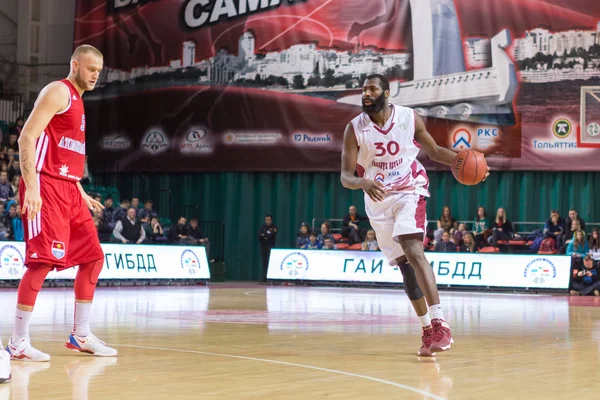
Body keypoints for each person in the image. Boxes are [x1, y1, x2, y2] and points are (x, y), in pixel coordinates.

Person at [340, 74, 488, 357]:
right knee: (405, 268)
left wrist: (471, 162)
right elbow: (346, 176)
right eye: (363, 90)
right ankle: (426, 329)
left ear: (386, 93)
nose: (366, 94)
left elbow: (434, 151)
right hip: (378, 198)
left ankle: (440, 322)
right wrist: (363, 182)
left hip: (410, 189)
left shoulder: (409, 118)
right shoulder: (354, 129)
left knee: (413, 248)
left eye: (372, 89)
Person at [4, 45, 117, 367]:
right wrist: (33, 187)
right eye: (92, 68)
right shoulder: (58, 91)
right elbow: (27, 138)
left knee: (94, 258)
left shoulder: (79, 101)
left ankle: (81, 335)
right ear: (75, 65)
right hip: (45, 187)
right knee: (41, 263)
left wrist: (78, 189)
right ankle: (18, 343)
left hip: (68, 189)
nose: (96, 74)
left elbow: (61, 153)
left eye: (100, 70)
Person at [258, 215, 277, 282]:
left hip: (270, 246)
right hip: (263, 246)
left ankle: (271, 278)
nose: (267, 221)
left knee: (270, 262)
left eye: (269, 220)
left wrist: (265, 234)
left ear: (271, 220)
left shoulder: (274, 227)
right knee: (264, 262)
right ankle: (264, 277)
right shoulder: (262, 227)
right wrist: (265, 235)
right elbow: (260, 236)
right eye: (266, 220)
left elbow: (271, 235)